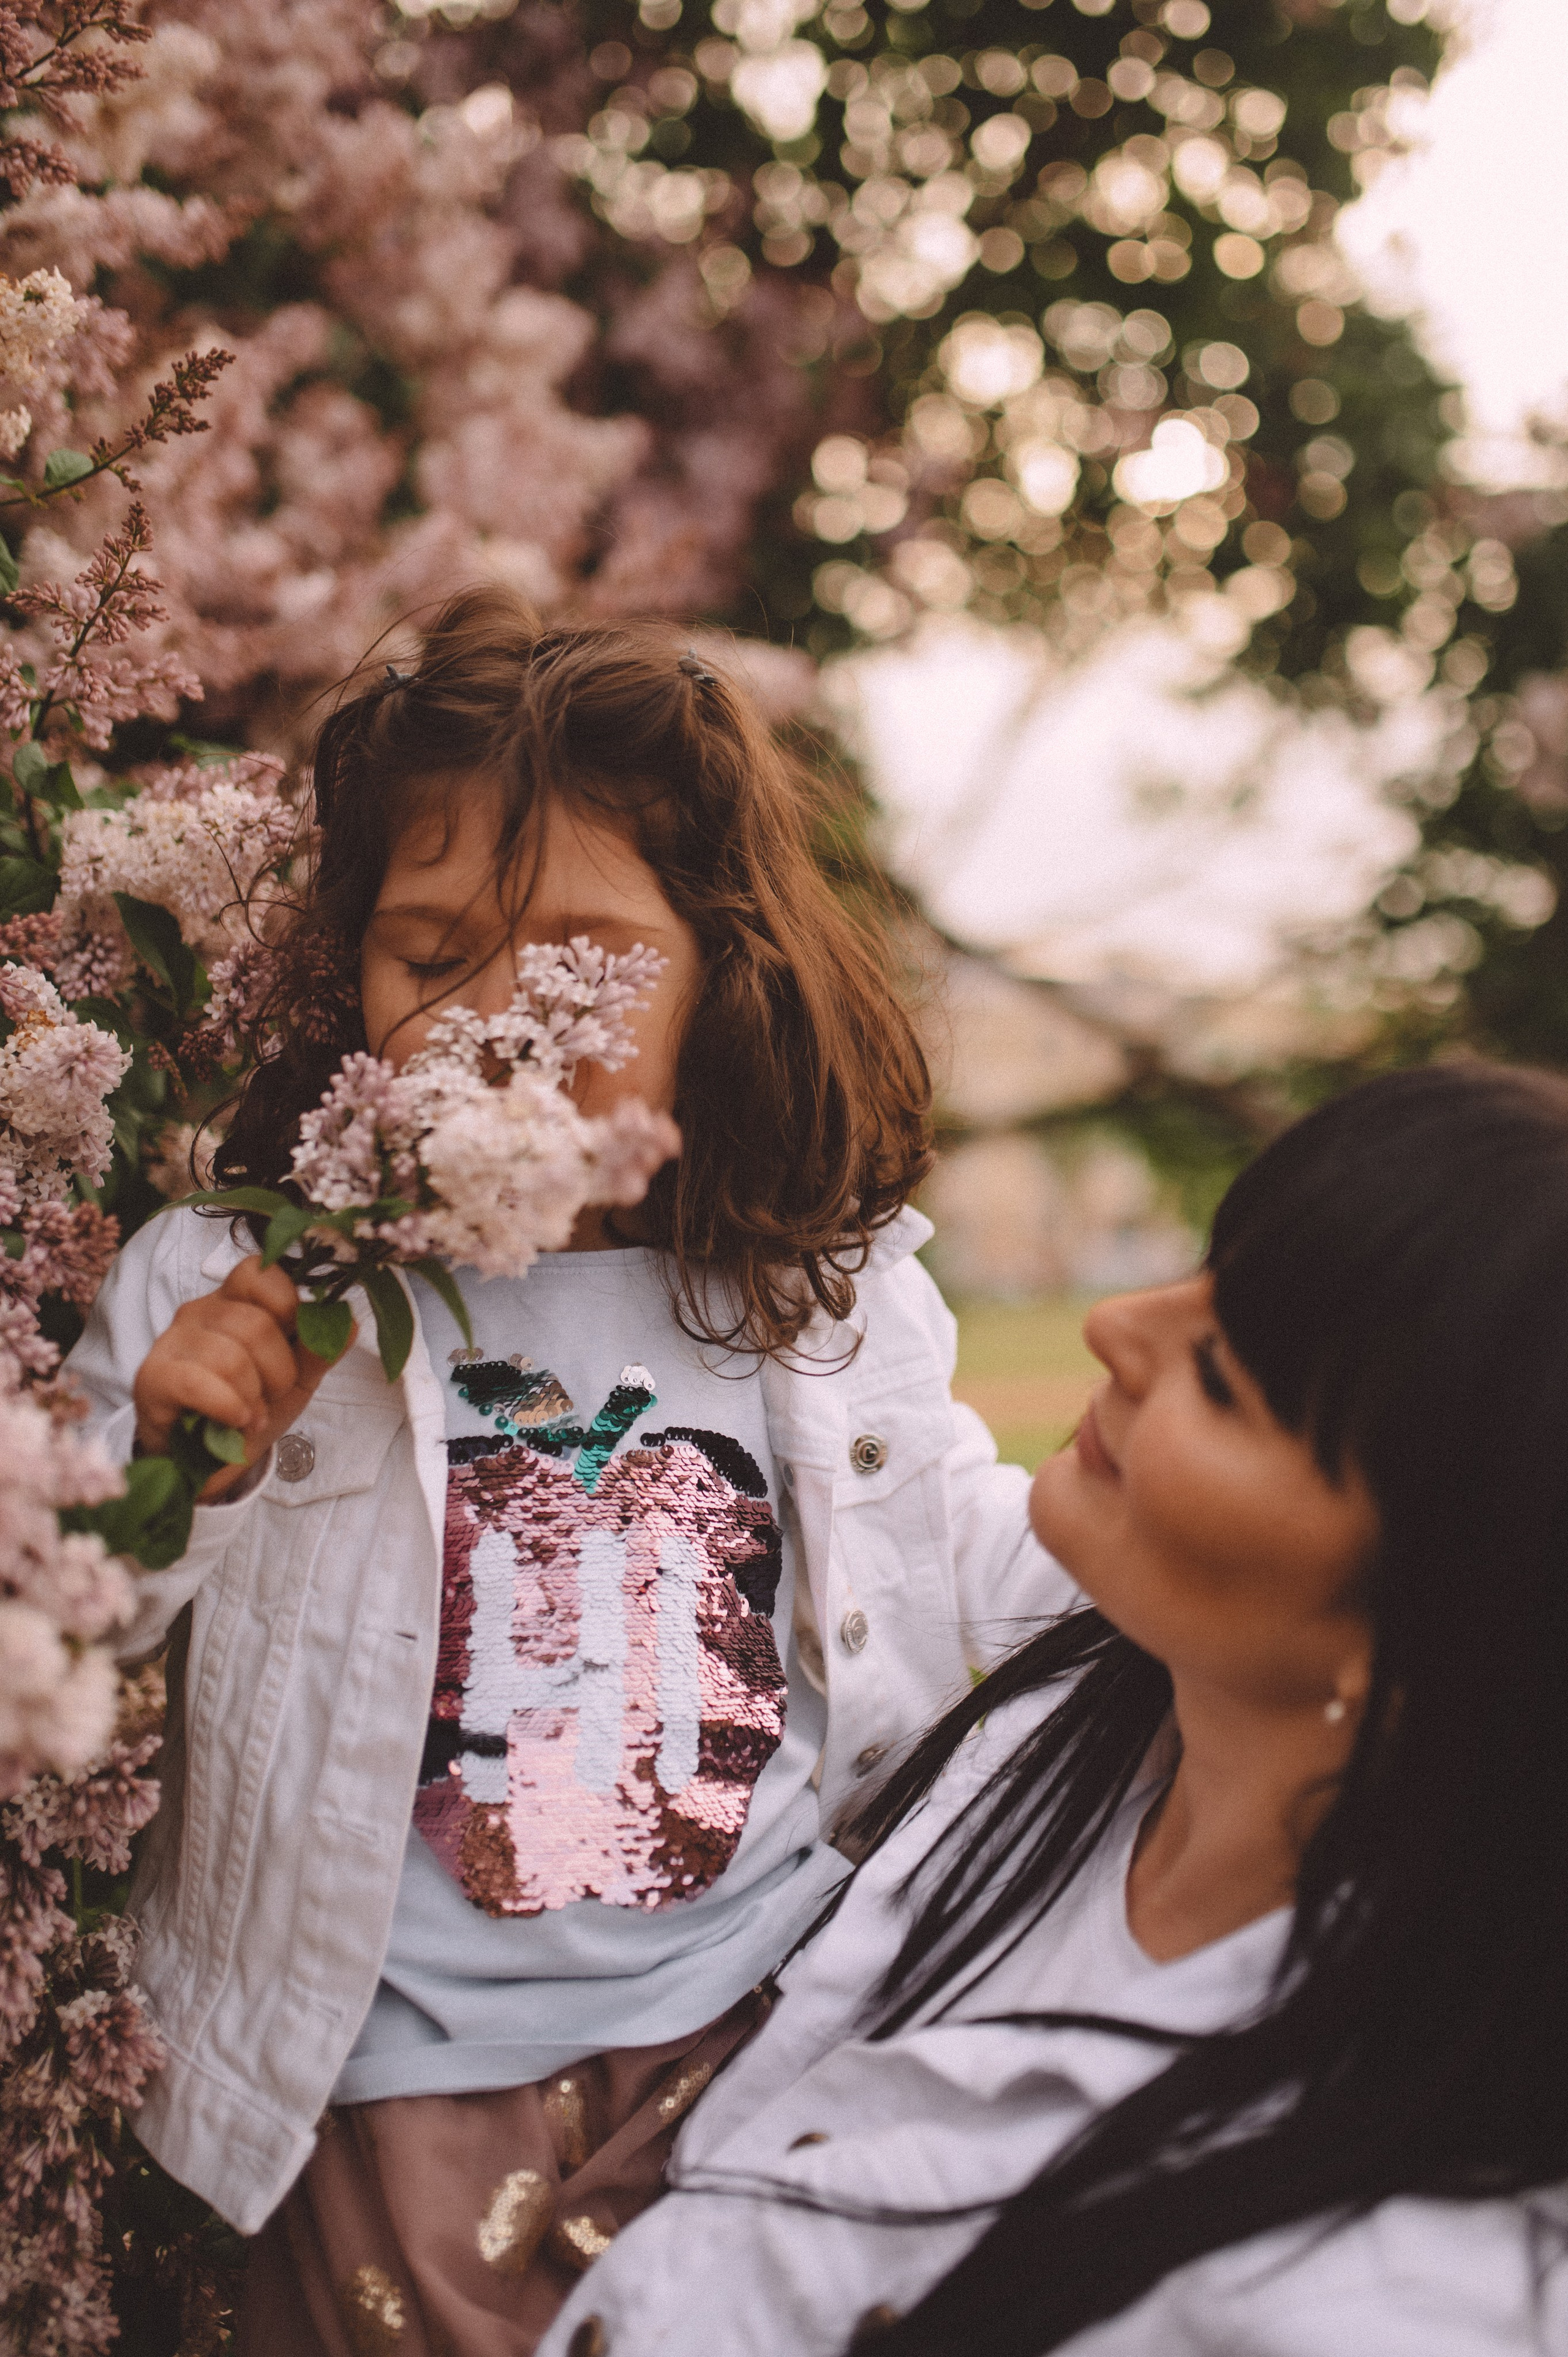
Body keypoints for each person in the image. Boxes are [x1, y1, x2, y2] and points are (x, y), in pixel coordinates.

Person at [66, 588, 1074, 2355]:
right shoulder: (235, 1284)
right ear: (347, 973)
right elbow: (73, 1624)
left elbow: (962, 1553)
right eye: (430, 954)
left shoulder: (816, 1291)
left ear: (720, 971)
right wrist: (174, 1467)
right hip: (381, 2081)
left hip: (753, 2041)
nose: (500, 1020)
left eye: (584, 960)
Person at [539, 1059, 1568, 2357]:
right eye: (1204, 1272)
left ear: (1444, 1626)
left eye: (1223, 1378)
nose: (1116, 1324)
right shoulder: (1100, 1716)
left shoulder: (1378, 2299)